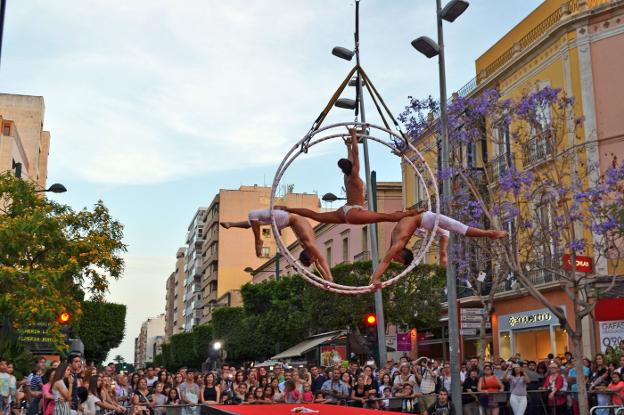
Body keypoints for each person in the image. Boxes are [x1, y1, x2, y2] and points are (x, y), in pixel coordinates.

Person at [279, 128, 421, 226]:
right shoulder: (354, 175)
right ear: (350, 166)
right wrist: (353, 135)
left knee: (315, 215)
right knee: (386, 217)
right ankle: (415, 212)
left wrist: (348, 146)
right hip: (354, 211)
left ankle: (287, 209)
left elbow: (351, 156)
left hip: (344, 211)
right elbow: (356, 154)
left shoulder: (347, 177)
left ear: (342, 169)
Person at [370, 211, 507, 287]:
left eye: (398, 261)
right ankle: (443, 255)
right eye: (398, 261)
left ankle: (490, 233)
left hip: (427, 219)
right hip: (422, 222)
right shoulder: (394, 244)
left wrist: (375, 279)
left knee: (460, 228)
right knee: (447, 232)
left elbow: (385, 262)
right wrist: (374, 279)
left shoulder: (398, 244)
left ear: (401, 254)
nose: (395, 260)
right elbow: (386, 261)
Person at [220, 209, 334, 281]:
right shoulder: (309, 244)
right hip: (284, 218)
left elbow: (318, 263)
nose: (316, 259)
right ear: (310, 255)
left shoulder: (308, 246)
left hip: (284, 220)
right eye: (313, 260)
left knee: (254, 222)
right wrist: (329, 277)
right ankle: (258, 240)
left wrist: (327, 279)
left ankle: (231, 224)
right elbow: (322, 261)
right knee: (253, 216)